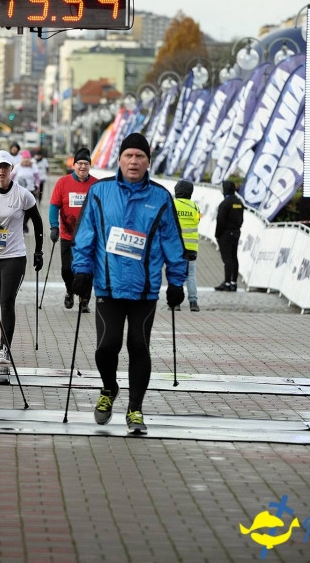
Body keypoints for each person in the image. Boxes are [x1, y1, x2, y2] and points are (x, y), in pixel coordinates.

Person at [71, 133, 187, 435]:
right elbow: (86, 234)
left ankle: (135, 408)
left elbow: (173, 241)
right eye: (128, 155)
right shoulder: (100, 192)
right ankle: (109, 387)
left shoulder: (161, 197)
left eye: (140, 156)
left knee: (139, 346)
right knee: (106, 347)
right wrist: (81, 271)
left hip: (144, 290)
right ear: (119, 159)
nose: (134, 161)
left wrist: (177, 282)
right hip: (108, 286)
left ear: (148, 162)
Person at [0, 150, 44, 365]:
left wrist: (38, 251)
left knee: (6, 301)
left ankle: (5, 347)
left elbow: (37, 222)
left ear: (12, 169)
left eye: (6, 167)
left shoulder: (23, 194)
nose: (2, 171)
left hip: (14, 256)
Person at [49, 147, 97, 312]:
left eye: (86, 163)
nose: (83, 167)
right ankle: (70, 290)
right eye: (79, 163)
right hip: (67, 235)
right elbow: (54, 206)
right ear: (74, 165)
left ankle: (84, 300)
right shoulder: (63, 182)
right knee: (66, 269)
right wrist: (54, 227)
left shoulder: (96, 185)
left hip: (89, 237)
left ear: (89, 166)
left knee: (87, 270)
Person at [173, 180, 202, 311]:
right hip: (191, 247)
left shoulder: (172, 204)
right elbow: (198, 220)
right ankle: (193, 303)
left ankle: (176, 304)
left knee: (175, 274)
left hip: (175, 247)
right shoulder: (195, 207)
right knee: (190, 275)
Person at [214, 180, 243, 292]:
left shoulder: (224, 204)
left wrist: (217, 235)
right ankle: (233, 282)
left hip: (225, 234)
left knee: (227, 259)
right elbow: (241, 219)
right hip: (236, 232)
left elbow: (220, 221)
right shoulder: (239, 202)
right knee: (234, 257)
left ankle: (227, 283)